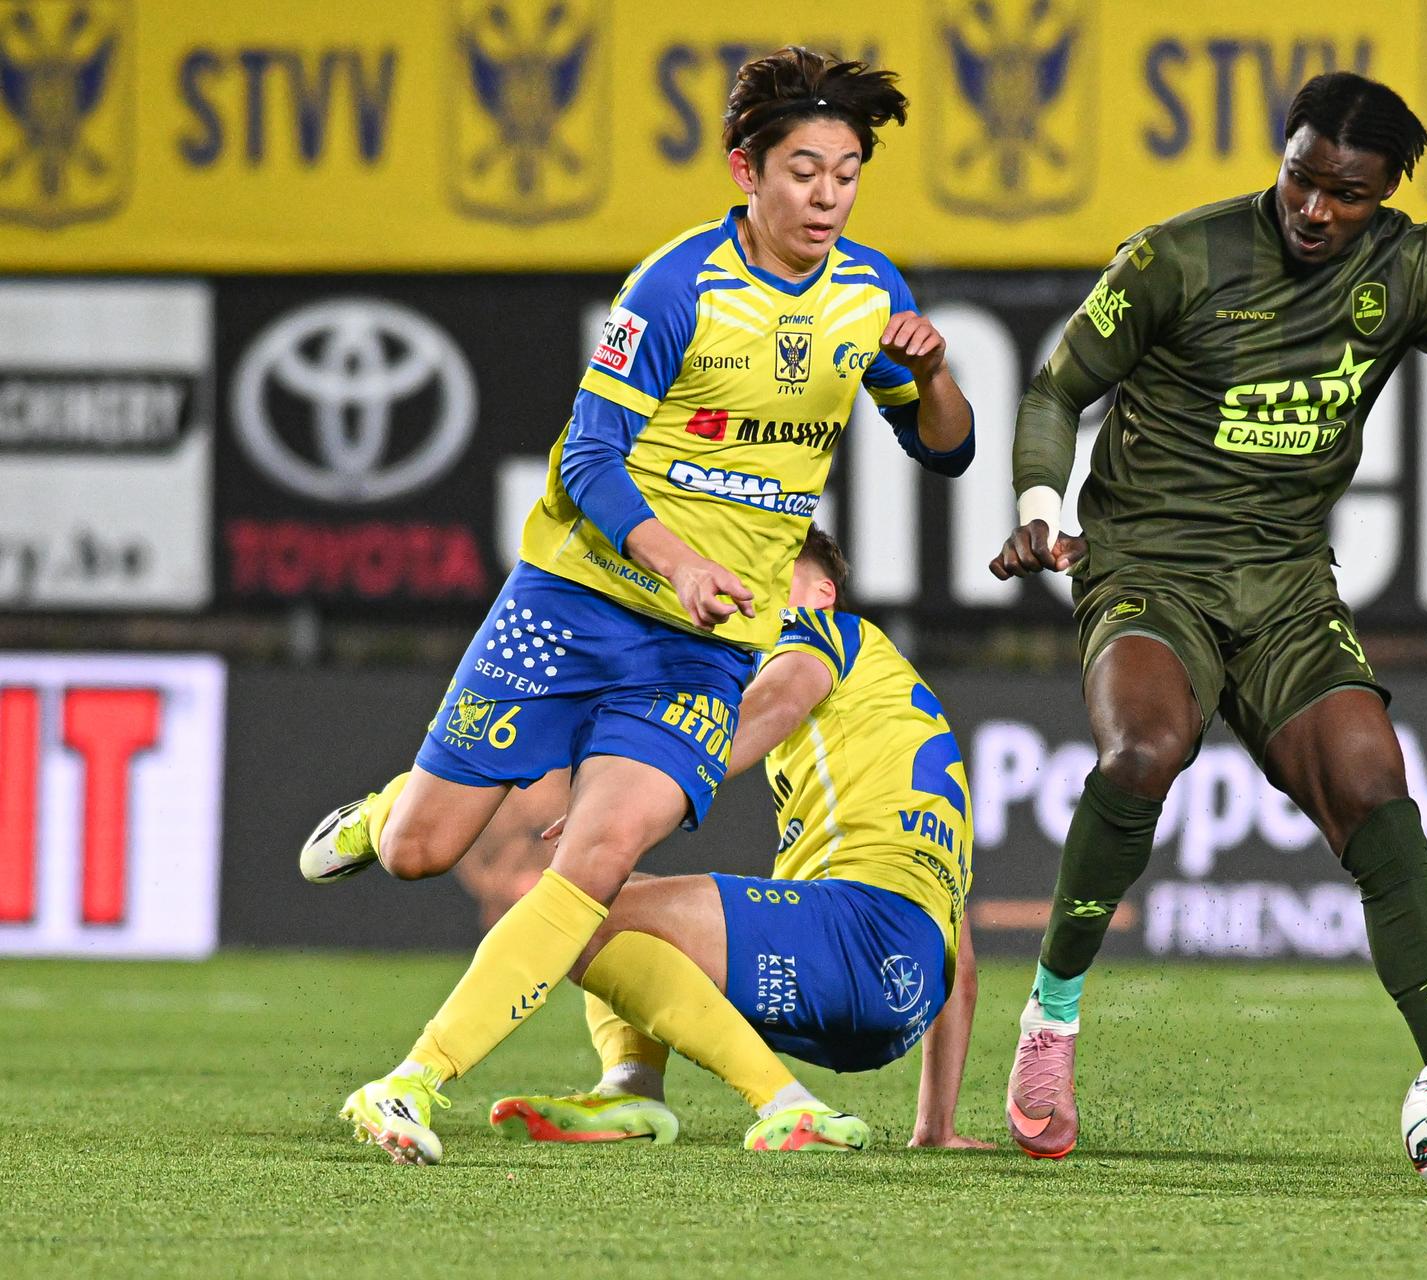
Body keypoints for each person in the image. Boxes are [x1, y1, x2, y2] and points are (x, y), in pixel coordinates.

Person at [302, 46, 975, 1165]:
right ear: (746, 171)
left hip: (706, 644)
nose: (827, 196)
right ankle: (388, 812)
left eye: (847, 174)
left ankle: (413, 1083)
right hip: (576, 603)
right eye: (804, 171)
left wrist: (935, 371)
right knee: (425, 849)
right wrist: (677, 561)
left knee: (600, 858)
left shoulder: (871, 293)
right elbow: (588, 457)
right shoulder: (677, 286)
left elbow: (945, 449)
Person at [987, 71, 1427, 1160]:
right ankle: (1051, 1018)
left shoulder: (1413, 271)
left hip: (1287, 581)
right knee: (1143, 751)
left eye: (1346, 194)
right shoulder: (1179, 257)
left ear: (1386, 192)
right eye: (1301, 178)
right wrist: (1039, 506)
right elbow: (1056, 389)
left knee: (1375, 788)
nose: (1314, 209)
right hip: (1151, 562)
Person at [487, 527, 989, 1152]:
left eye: (773, 572)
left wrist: (645, 784)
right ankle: (633, 1090)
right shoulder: (899, 722)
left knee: (578, 909)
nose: (750, 590)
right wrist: (936, 1128)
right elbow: (960, 963)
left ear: (822, 594)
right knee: (609, 888)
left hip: (852, 939)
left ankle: (776, 1104)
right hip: (896, 1005)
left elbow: (776, 704)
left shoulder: (825, 633)